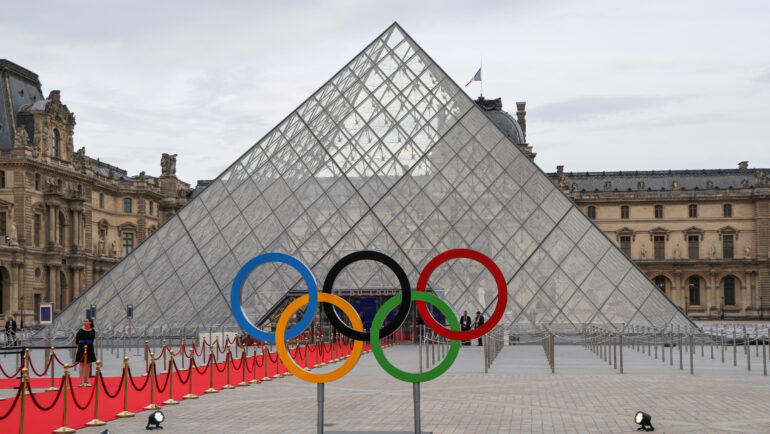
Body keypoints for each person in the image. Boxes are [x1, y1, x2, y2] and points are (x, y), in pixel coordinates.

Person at [75, 318, 96, 387]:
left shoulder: (93, 331)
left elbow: (92, 339)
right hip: (82, 347)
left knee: (88, 364)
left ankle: (87, 380)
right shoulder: (80, 330)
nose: (84, 322)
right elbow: (77, 341)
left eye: (86, 321)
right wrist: (80, 347)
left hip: (90, 347)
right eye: (84, 321)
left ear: (90, 322)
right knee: (82, 364)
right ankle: (81, 381)